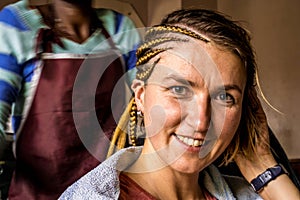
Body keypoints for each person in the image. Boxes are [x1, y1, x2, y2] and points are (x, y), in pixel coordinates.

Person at [59, 8, 300, 200]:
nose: (200, 120)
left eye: (224, 97)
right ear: (141, 96)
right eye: (179, 90)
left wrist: (263, 168)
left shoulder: (251, 194)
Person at [0, 0, 140, 199]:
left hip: (102, 194)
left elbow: (151, 99)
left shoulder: (120, 27)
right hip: (36, 194)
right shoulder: (16, 25)